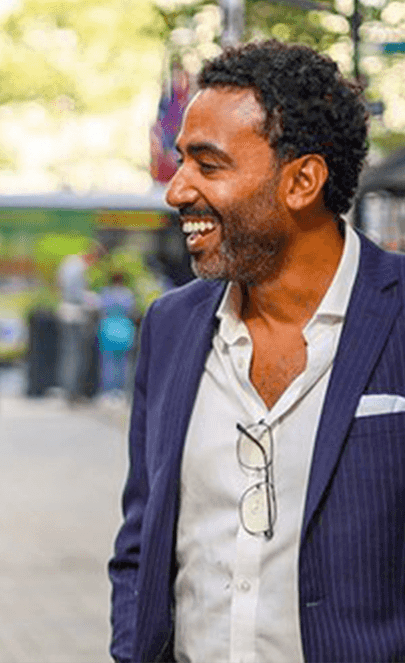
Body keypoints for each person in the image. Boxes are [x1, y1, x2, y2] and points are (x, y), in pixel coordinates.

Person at [109, 40, 405, 662]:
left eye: (208, 166)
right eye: (181, 161)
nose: (178, 191)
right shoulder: (170, 327)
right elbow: (141, 544)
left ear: (302, 181)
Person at [56, 246, 100, 401]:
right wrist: (92, 299)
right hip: (75, 314)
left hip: (66, 312)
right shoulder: (77, 268)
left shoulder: (68, 263)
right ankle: (72, 392)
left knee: (68, 352)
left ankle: (68, 389)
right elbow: (74, 294)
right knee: (76, 354)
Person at [96, 272, 135, 399]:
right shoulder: (127, 295)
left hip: (108, 329)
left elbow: (101, 310)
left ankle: (107, 391)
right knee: (123, 363)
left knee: (108, 363)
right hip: (124, 329)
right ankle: (121, 390)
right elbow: (131, 311)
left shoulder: (106, 294)